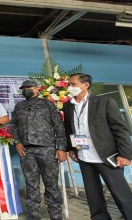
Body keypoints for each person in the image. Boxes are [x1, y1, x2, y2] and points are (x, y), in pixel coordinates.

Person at [63, 73, 132, 220]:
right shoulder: (68, 105)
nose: (69, 87)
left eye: (73, 84)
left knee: (121, 194)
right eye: (68, 84)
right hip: (84, 156)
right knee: (93, 195)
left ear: (85, 85)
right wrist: (71, 148)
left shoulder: (105, 102)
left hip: (106, 156)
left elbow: (120, 129)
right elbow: (69, 128)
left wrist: (125, 154)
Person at [12, 79, 67, 220]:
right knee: (31, 183)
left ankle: (55, 215)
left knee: (51, 183)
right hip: (27, 151)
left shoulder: (48, 104)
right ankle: (33, 214)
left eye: (29, 87)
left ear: (37, 89)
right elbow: (14, 127)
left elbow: (59, 126)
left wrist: (61, 148)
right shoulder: (19, 107)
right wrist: (17, 142)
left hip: (47, 149)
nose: (26, 90)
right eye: (23, 88)